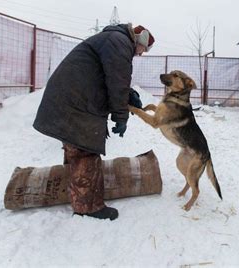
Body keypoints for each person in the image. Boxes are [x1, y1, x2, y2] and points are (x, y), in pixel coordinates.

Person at [33, 23, 154, 221]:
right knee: (84, 153)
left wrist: (129, 94)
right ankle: (87, 207)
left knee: (77, 151)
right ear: (140, 40)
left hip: (71, 100)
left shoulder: (113, 40)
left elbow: (108, 76)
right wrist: (121, 116)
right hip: (76, 104)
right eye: (143, 50)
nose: (140, 54)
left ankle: (76, 194)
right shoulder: (120, 42)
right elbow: (116, 83)